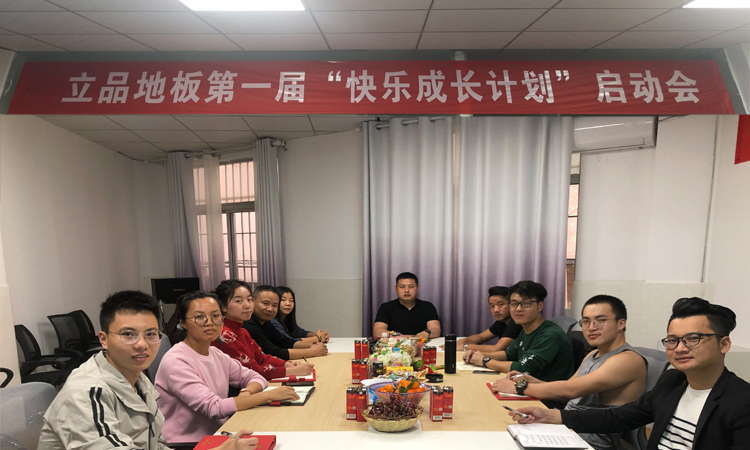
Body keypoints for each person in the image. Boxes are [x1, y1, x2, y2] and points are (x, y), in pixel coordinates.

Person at [509, 297, 750, 450]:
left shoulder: (742, 401)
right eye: (673, 340)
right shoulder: (674, 382)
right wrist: (551, 415)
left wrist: (523, 388)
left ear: (724, 344)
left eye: (693, 338)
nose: (680, 348)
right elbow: (618, 418)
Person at [38, 290, 257, 450]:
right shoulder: (87, 393)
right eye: (128, 334)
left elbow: (155, 444)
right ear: (103, 339)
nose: (142, 344)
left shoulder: (138, 381)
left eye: (151, 334)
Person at [492, 295, 648, 450]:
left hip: (590, 438)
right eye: (586, 321)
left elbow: (570, 391)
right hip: (568, 426)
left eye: (600, 320)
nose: (591, 327)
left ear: (621, 323)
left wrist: (519, 387)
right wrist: (533, 381)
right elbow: (569, 386)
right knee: (501, 430)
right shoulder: (593, 354)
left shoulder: (627, 359)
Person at [156, 291, 299, 442]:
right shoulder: (176, 361)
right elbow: (214, 408)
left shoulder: (215, 353)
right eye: (200, 317)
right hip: (188, 442)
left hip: (221, 432)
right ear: (183, 322)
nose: (210, 322)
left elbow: (255, 376)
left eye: (215, 316)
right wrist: (267, 395)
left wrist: (247, 391)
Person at [463, 280, 574, 383]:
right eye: (514, 304)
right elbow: (508, 354)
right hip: (526, 386)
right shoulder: (526, 330)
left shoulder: (550, 335)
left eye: (526, 303)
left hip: (546, 393)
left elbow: (522, 367)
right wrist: (478, 355)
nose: (518, 309)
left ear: (540, 306)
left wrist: (484, 360)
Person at [212, 280, 314, 380]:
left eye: (249, 300)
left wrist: (286, 364)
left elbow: (261, 358)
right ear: (223, 306)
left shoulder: (243, 331)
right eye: (239, 301)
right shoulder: (224, 334)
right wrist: (291, 371)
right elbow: (249, 370)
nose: (247, 305)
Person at [243, 285, 328, 360]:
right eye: (265, 303)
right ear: (252, 302)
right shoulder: (248, 325)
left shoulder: (266, 322)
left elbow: (285, 341)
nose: (270, 309)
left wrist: (312, 345)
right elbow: (272, 352)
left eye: (274, 305)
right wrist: (311, 351)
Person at [372, 272, 441, 339]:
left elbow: (436, 329)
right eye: (402, 287)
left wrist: (427, 333)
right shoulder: (386, 307)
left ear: (417, 288)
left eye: (411, 287)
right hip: (395, 344)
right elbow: (377, 330)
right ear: (396, 289)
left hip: (421, 343)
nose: (406, 290)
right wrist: (395, 336)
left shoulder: (428, 306)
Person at [455, 286, 522, 353]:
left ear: (512, 304)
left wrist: (465, 346)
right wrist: (462, 341)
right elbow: (480, 337)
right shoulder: (502, 321)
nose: (496, 310)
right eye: (492, 306)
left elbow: (497, 349)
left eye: (501, 304)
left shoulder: (517, 322)